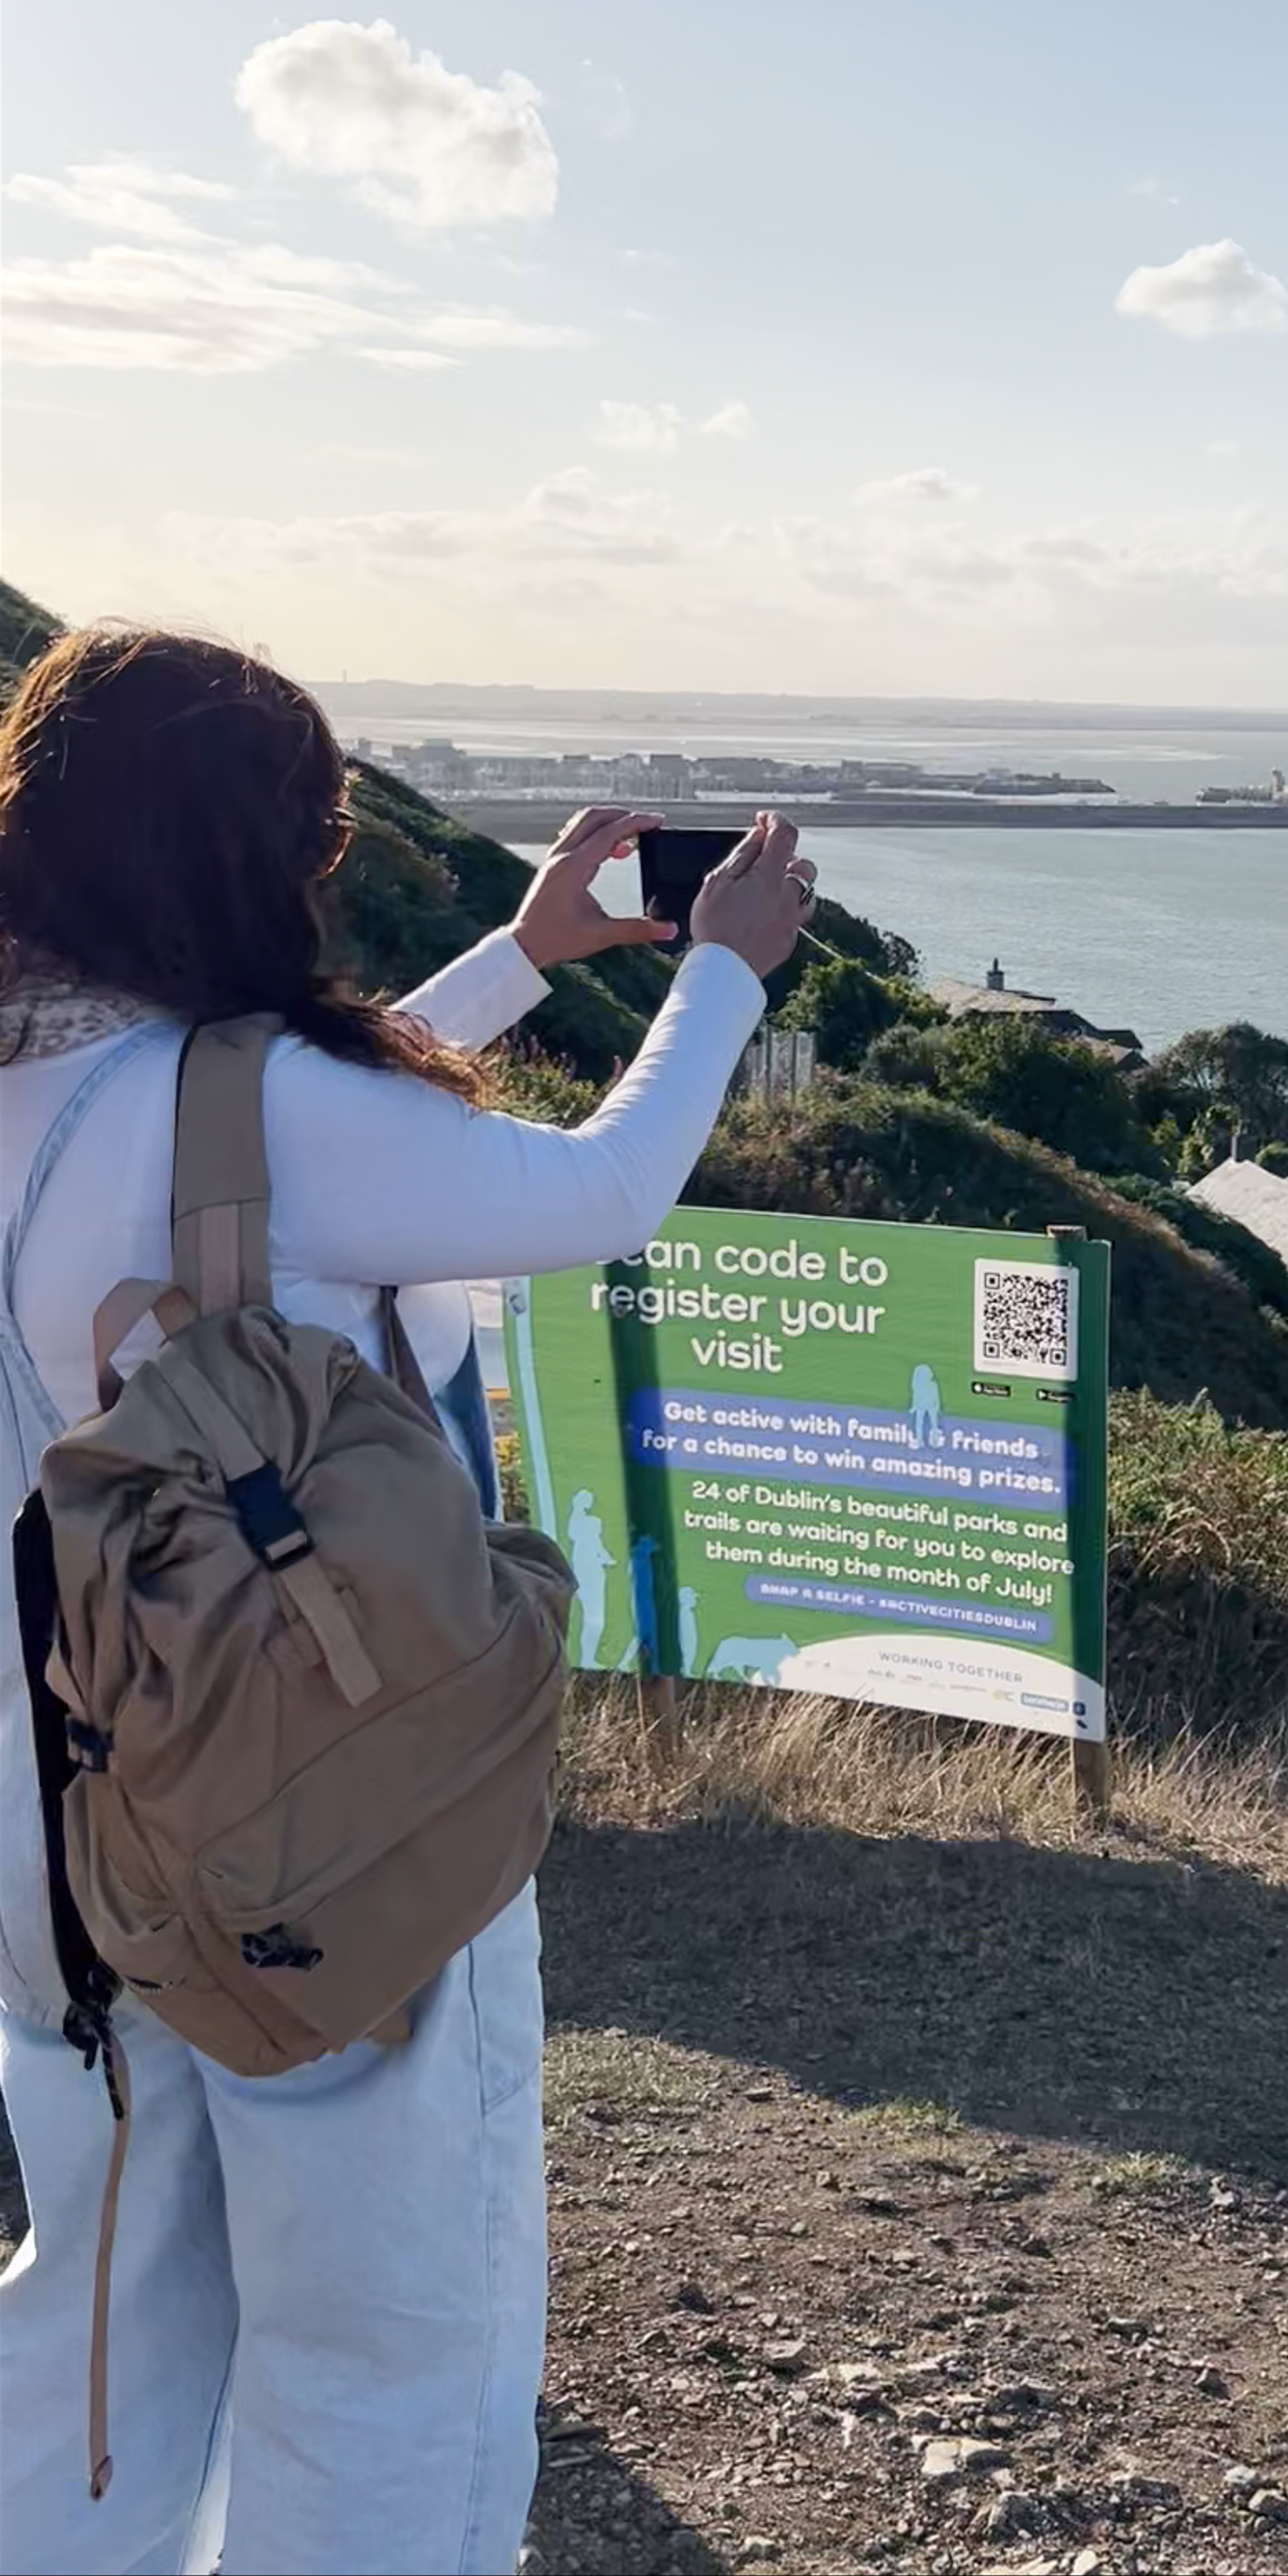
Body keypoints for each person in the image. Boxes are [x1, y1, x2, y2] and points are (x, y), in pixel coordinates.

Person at [0, 624, 816, 2576]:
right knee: (386, 2342)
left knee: (101, 2322)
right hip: (307, 1804)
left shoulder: (44, 1071)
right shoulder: (259, 1103)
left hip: (46, 1821)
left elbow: (243, 1147)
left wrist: (524, 957)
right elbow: (591, 1195)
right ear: (240, 848)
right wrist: (722, 968)